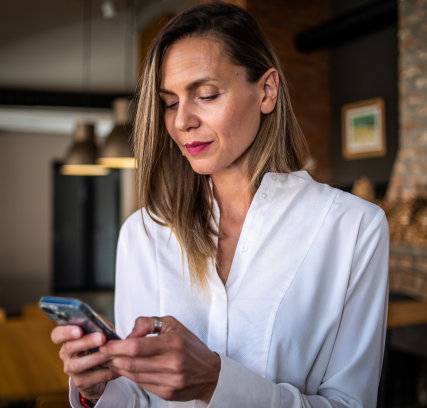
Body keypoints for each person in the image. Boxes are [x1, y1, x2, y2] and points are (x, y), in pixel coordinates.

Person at [51, 2, 389, 407]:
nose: (181, 121)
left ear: (266, 92)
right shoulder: (143, 233)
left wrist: (216, 382)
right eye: (170, 102)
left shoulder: (354, 229)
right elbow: (138, 399)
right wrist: (98, 389)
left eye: (206, 94)